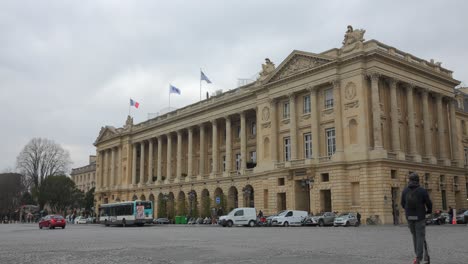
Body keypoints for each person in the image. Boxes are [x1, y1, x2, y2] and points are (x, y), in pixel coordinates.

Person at [401, 172, 432, 264]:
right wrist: (428, 211)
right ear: (418, 180)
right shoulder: (422, 190)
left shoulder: (405, 190)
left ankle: (418, 255)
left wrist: (408, 211)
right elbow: (429, 203)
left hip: (409, 217)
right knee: (420, 236)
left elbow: (402, 203)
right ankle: (419, 257)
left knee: (415, 236)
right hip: (420, 217)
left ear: (409, 180)